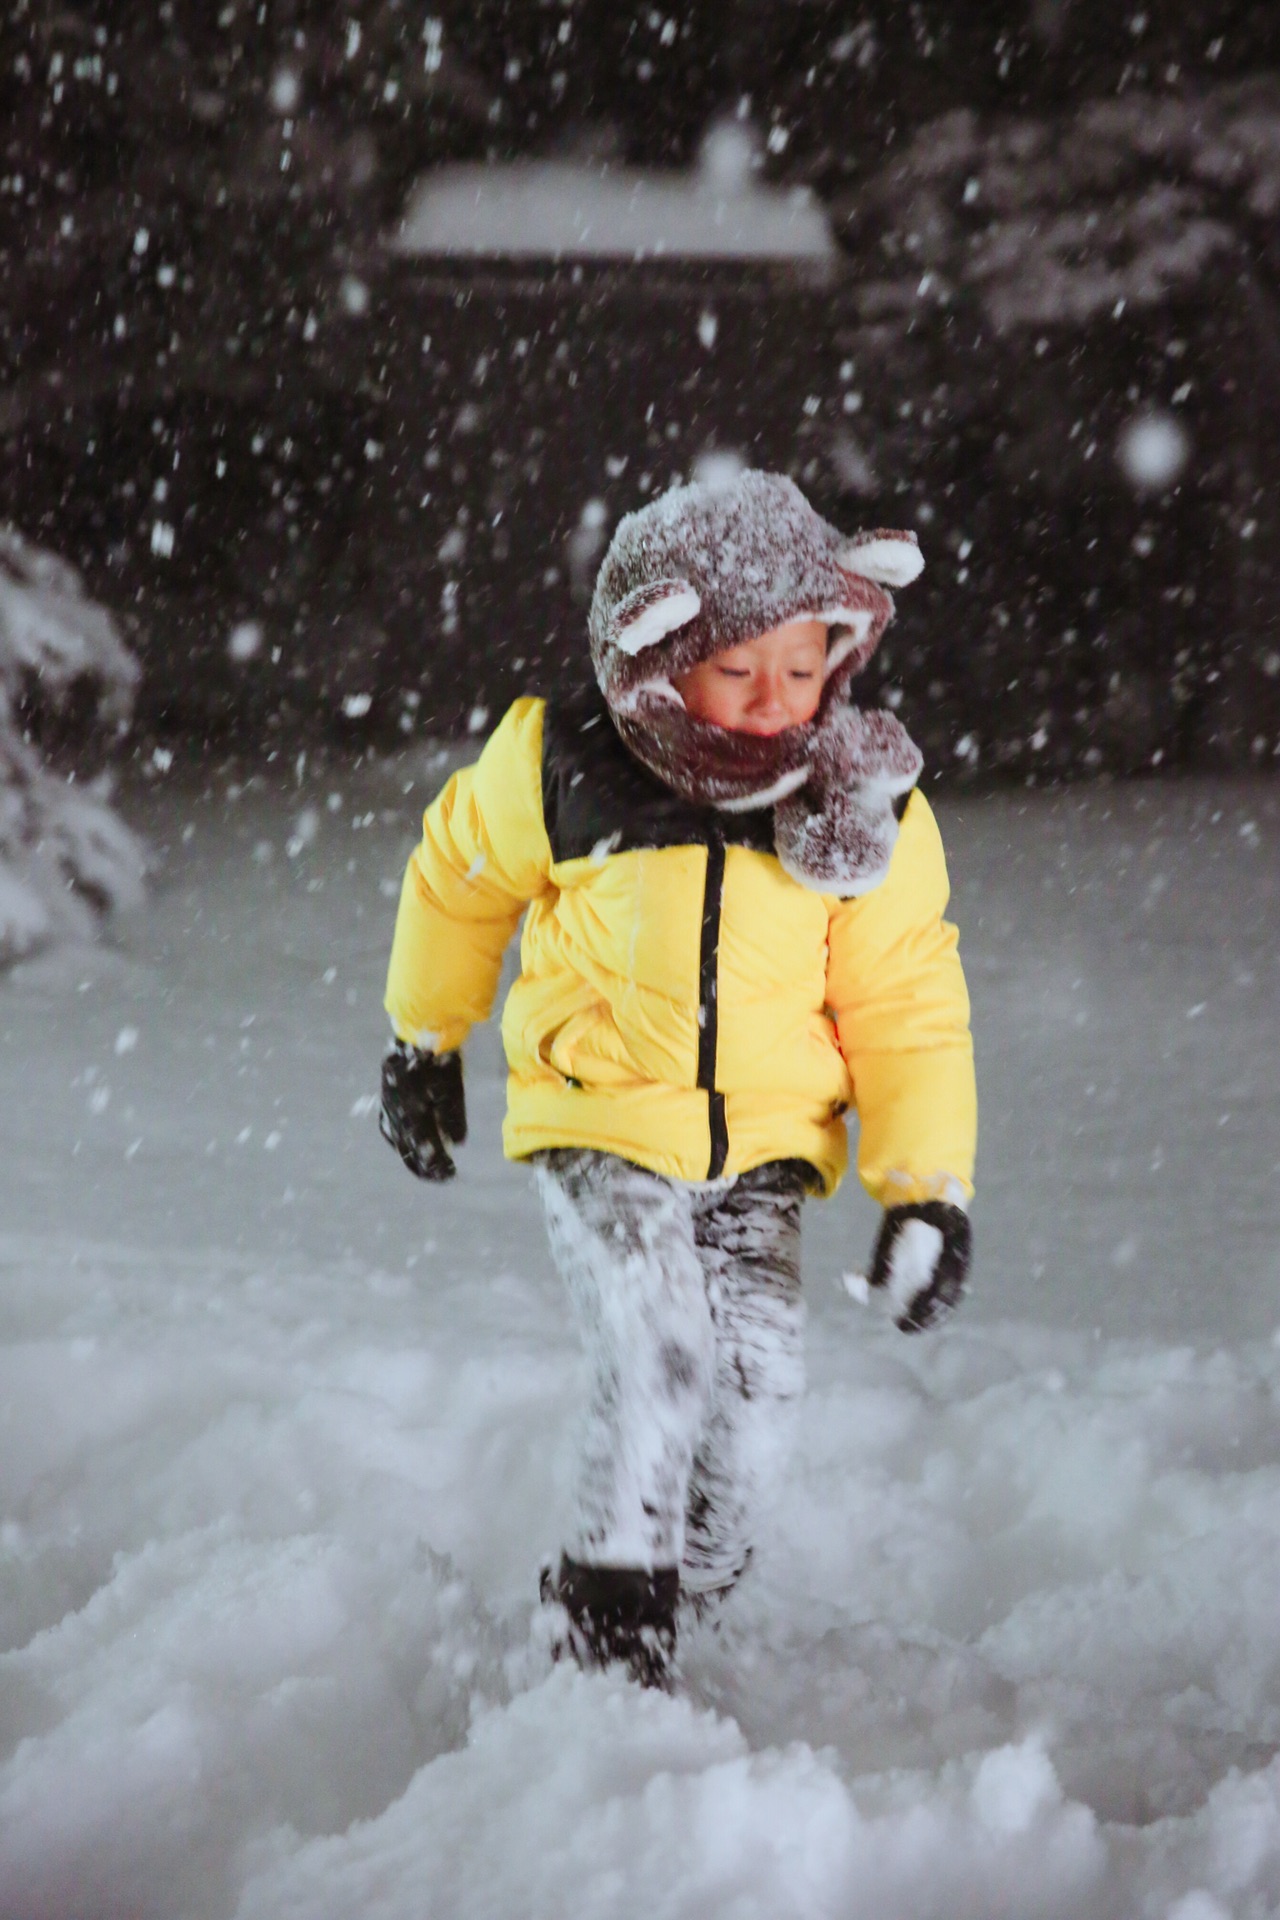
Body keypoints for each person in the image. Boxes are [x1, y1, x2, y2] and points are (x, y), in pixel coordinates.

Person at [380, 470, 976, 1688]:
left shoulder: (858, 806)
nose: (773, 705)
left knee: (757, 1396)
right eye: (736, 671)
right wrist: (422, 1038)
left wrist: (924, 1188)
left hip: (761, 1159)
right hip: (600, 1122)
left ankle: (685, 1593)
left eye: (801, 671)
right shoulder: (564, 762)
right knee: (658, 1349)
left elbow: (904, 996)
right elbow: (457, 879)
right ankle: (605, 1622)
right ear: (658, 659)